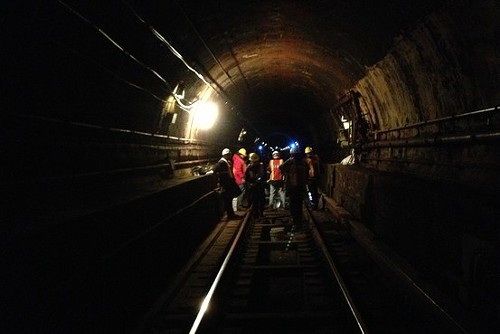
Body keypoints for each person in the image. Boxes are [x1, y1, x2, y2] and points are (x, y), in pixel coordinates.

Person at [280, 146, 309, 229]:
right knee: (299, 205)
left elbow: (281, 167)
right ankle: (298, 222)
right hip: (300, 187)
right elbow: (306, 173)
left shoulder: (290, 161)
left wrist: (287, 174)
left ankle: (295, 221)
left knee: (293, 205)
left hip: (292, 187)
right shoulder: (304, 162)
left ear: (291, 154)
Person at [210, 148, 241, 220]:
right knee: (228, 200)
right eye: (229, 155)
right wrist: (209, 172)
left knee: (229, 200)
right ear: (226, 155)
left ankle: (231, 214)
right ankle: (230, 215)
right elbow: (214, 169)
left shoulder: (226, 162)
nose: (230, 156)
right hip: (226, 185)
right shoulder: (222, 162)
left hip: (228, 184)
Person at [244, 152, 266, 219]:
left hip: (259, 186)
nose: (254, 162)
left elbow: (263, 175)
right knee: (255, 201)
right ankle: (256, 214)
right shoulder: (249, 167)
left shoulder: (261, 166)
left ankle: (261, 213)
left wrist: (259, 180)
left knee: (261, 201)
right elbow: (246, 177)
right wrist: (249, 183)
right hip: (253, 187)